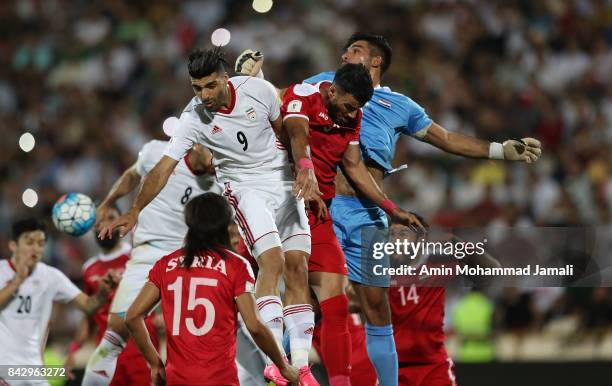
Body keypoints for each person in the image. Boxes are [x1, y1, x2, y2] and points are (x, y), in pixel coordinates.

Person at [236, 32, 542, 386]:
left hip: (367, 213)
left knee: (376, 308)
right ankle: (288, 374)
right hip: (321, 206)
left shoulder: (400, 106)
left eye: (354, 50)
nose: (344, 53)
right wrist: (255, 81)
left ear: (375, 60)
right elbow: (285, 107)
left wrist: (500, 150)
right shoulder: (323, 84)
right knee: (307, 296)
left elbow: (444, 138)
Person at [101, 47, 321, 385]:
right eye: (195, 88)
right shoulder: (192, 119)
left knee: (298, 266)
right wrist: (134, 209)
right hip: (245, 187)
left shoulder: (258, 90)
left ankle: (303, 366)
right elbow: (163, 168)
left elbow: (287, 131)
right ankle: (276, 360)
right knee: (272, 262)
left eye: (208, 87)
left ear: (224, 79)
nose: (203, 96)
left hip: (282, 179)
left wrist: (304, 168)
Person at [280, 63, 425, 386]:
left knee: (336, 300)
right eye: (347, 106)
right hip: (285, 206)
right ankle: (281, 368)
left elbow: (353, 166)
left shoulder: (353, 116)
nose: (350, 115)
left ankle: (335, 381)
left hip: (319, 211)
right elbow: (297, 134)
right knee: (298, 295)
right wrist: (305, 167)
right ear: (332, 91)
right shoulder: (303, 96)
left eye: (356, 109)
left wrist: (392, 209)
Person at [125, 192, 299, 386]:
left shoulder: (165, 265)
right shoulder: (236, 265)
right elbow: (255, 326)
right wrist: (283, 367)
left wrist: (155, 364)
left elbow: (132, 316)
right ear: (225, 225)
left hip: (177, 380)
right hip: (219, 380)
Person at [82, 140, 218, 385]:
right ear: (197, 144)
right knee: (114, 334)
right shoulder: (157, 151)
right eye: (213, 151)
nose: (216, 160)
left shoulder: (219, 182)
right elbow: (132, 175)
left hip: (186, 261)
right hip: (147, 254)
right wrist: (108, 202)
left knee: (200, 346)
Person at [0, 218, 118, 385]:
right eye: (29, 242)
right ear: (13, 245)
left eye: (41, 243)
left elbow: (88, 306)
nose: (36, 248)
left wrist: (102, 293)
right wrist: (17, 281)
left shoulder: (51, 276)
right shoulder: (1, 271)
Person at [65, 206, 159, 385]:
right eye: (100, 220)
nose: (106, 224)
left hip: (141, 352)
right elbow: (89, 315)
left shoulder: (138, 257)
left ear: (121, 222)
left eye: (111, 218)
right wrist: (74, 349)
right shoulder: (89, 268)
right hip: (106, 356)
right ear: (93, 227)